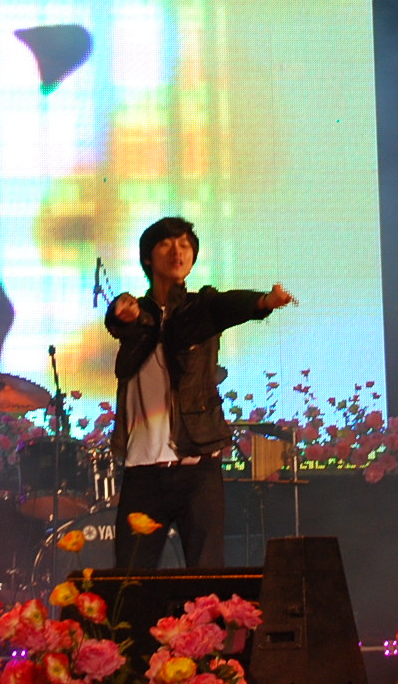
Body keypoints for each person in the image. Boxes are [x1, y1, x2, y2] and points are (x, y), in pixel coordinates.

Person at [106, 215, 294, 568]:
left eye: (185, 245)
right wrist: (121, 312)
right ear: (148, 258)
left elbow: (227, 306)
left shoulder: (201, 309)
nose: (177, 251)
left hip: (197, 470)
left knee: (207, 579)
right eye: (166, 244)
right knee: (130, 581)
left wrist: (263, 302)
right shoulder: (137, 315)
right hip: (142, 473)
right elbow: (117, 320)